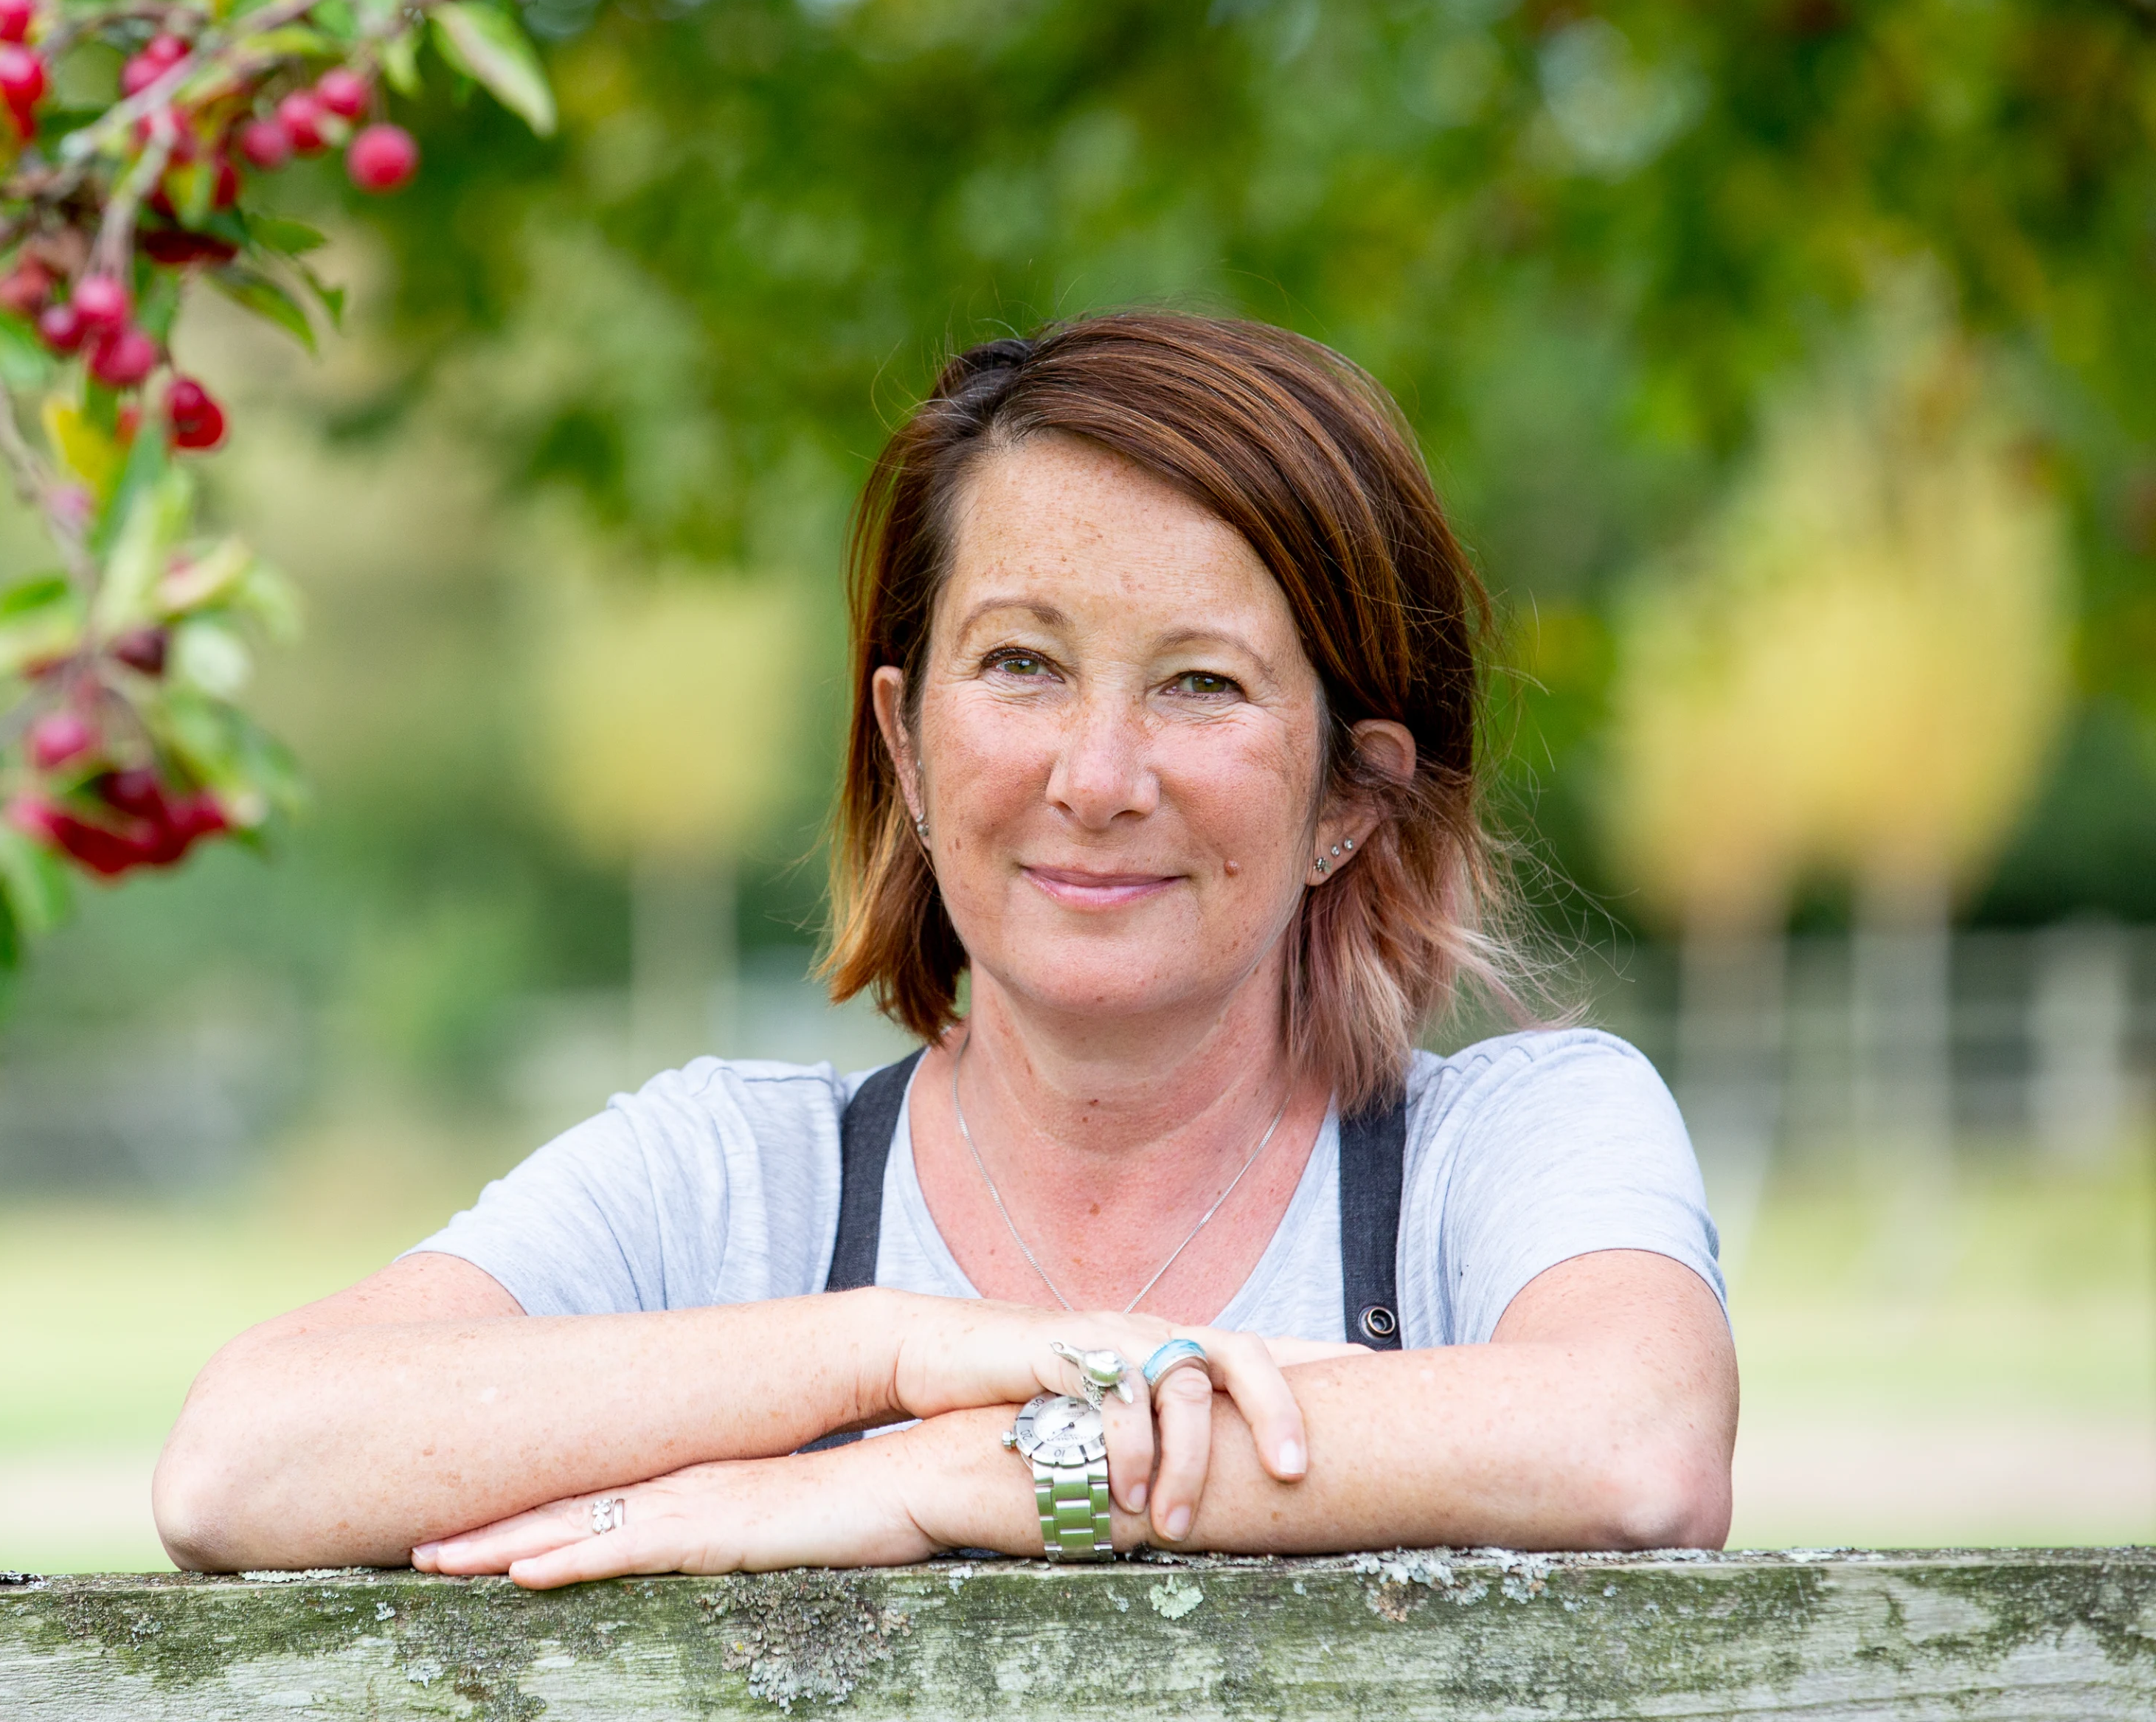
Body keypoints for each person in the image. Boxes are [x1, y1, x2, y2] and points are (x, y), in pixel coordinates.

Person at [153, 311, 1736, 1583]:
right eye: (1022, 662)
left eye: (1201, 684)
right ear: (904, 746)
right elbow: (244, 1461)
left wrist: (962, 1472)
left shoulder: (1512, 1141)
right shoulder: (732, 1183)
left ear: (1348, 797)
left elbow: (1637, 1442)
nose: (1099, 776)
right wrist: (894, 1350)